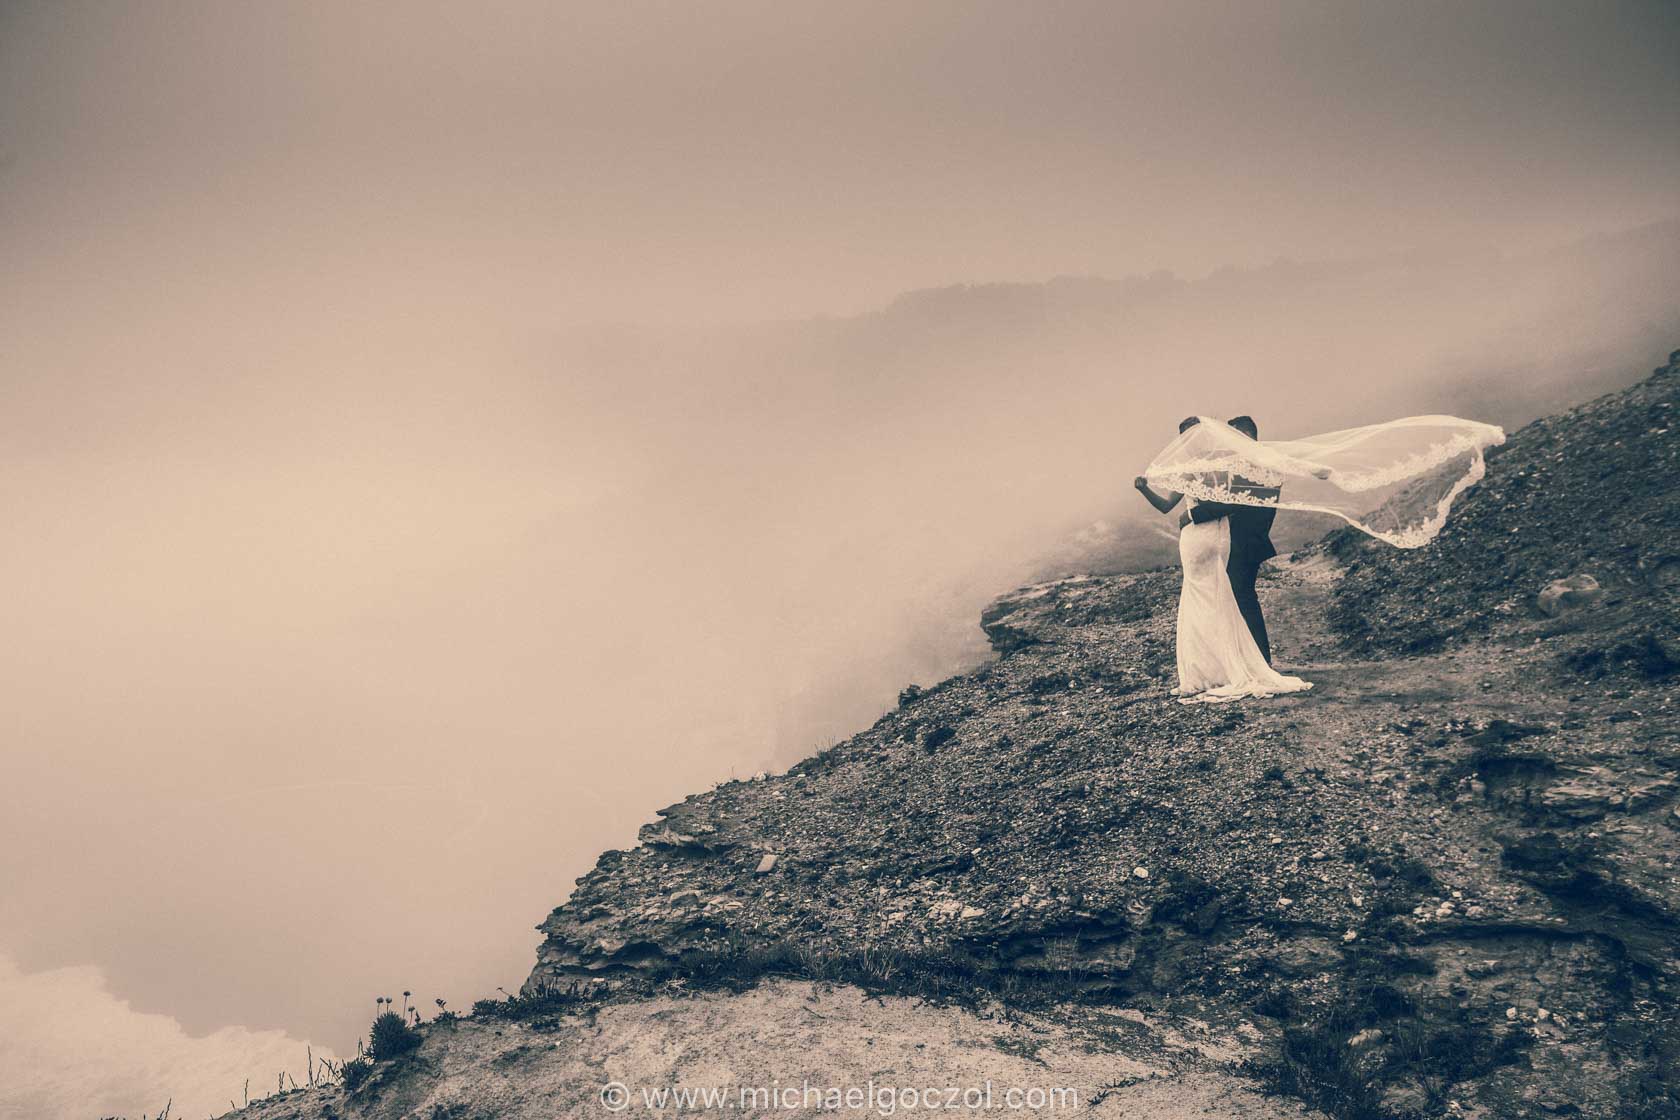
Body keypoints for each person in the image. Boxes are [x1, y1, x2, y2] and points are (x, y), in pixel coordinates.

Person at [1134, 417, 1310, 703]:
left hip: (1229, 538)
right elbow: (1172, 505)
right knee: (1220, 599)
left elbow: (1236, 502)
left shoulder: (1240, 465)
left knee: (1229, 599)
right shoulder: (1222, 465)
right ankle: (1234, 662)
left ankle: (1244, 663)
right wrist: (1146, 490)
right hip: (1217, 538)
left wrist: (1192, 514)